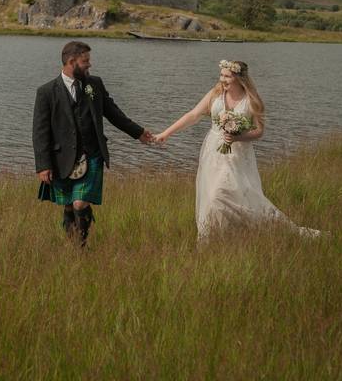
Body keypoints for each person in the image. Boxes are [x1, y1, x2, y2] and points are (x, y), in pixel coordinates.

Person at [154, 59, 319, 239]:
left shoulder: (251, 101)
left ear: (239, 78)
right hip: (213, 151)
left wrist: (238, 137)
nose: (222, 79)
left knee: (226, 194)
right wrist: (166, 133)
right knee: (211, 197)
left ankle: (270, 227)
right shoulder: (215, 94)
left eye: (227, 76)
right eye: (221, 75)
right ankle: (215, 237)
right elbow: (193, 115)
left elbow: (259, 131)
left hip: (238, 155)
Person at [33, 41, 154, 246]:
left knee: (80, 203)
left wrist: (139, 132)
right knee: (70, 205)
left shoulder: (94, 84)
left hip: (93, 154)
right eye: (85, 61)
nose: (90, 65)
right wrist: (43, 165)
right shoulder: (46, 92)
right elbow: (40, 131)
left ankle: (81, 246)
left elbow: (113, 113)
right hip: (61, 158)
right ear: (71, 62)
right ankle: (71, 243)